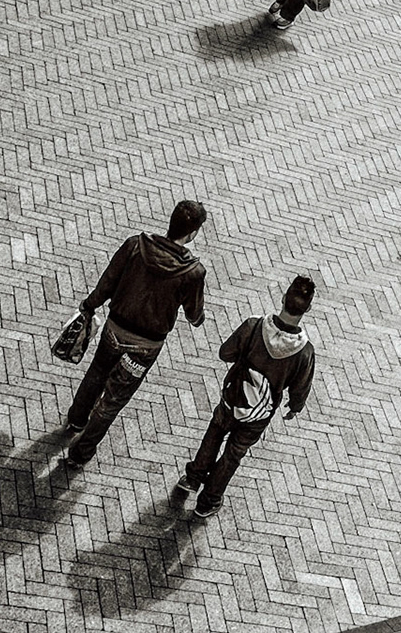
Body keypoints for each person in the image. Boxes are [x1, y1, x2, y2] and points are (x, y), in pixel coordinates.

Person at [65, 201, 208, 466]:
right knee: (113, 400)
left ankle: (76, 419)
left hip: (113, 331)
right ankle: (80, 453)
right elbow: (193, 313)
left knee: (96, 374)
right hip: (145, 347)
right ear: (192, 234)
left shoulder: (135, 245)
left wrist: (89, 305)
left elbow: (107, 282)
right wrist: (198, 318)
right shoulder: (193, 272)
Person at [181, 275, 317, 518]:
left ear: (283, 298)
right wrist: (295, 407)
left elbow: (226, 353)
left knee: (215, 432)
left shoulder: (254, 325)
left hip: (233, 397)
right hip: (259, 412)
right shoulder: (304, 351)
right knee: (234, 453)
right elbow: (299, 387)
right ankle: (208, 501)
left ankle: (193, 478)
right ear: (307, 309)